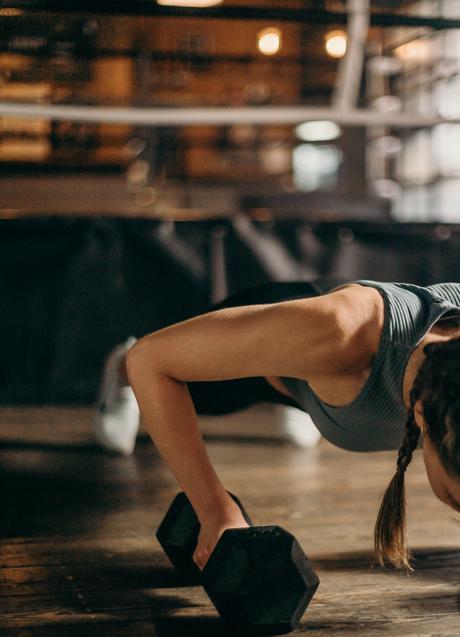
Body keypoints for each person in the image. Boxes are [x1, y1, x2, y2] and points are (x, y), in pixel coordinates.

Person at [93, 279, 460, 572]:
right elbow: (152, 361)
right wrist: (214, 510)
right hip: (298, 328)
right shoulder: (345, 335)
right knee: (170, 370)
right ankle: (118, 369)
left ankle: (307, 400)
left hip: (325, 366)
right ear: (424, 416)